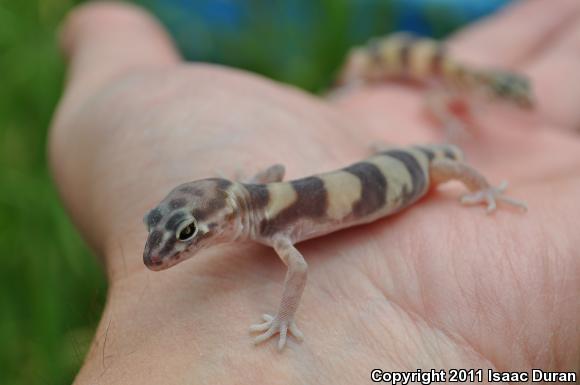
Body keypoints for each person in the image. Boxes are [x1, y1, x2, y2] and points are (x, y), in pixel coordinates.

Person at [50, 1, 580, 383]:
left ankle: (483, 186)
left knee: (450, 168)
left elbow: (299, 268)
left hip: (410, 172)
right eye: (168, 230)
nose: (166, 253)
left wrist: (284, 319)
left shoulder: (276, 225)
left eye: (186, 234)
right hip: (375, 165)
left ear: (228, 212)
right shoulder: (258, 207)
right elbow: (275, 169)